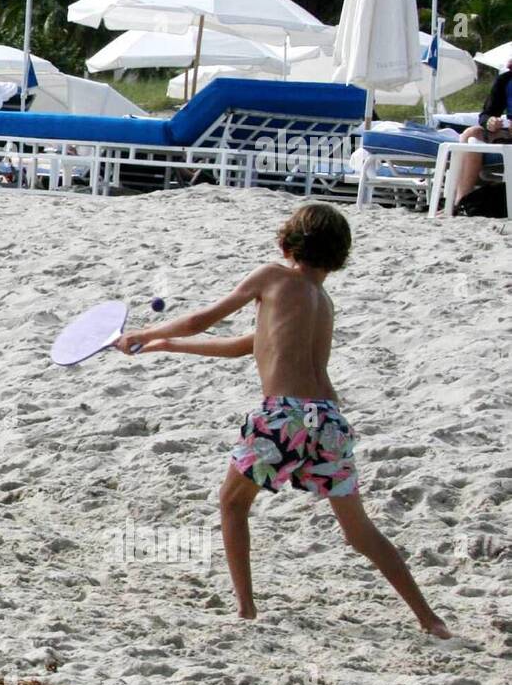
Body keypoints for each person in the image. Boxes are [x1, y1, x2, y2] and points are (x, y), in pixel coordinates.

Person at [115, 203, 451, 639]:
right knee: (359, 531)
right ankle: (430, 618)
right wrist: (166, 346)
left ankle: (246, 610)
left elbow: (203, 319)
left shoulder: (273, 276)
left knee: (232, 505)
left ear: (287, 242)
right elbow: (244, 345)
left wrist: (144, 332)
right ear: (339, 255)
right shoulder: (322, 301)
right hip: (328, 419)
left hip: (284, 415)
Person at [453, 59, 512, 209]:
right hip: (509, 135)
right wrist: (490, 122)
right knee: (472, 134)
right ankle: (461, 201)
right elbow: (485, 115)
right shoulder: (506, 79)